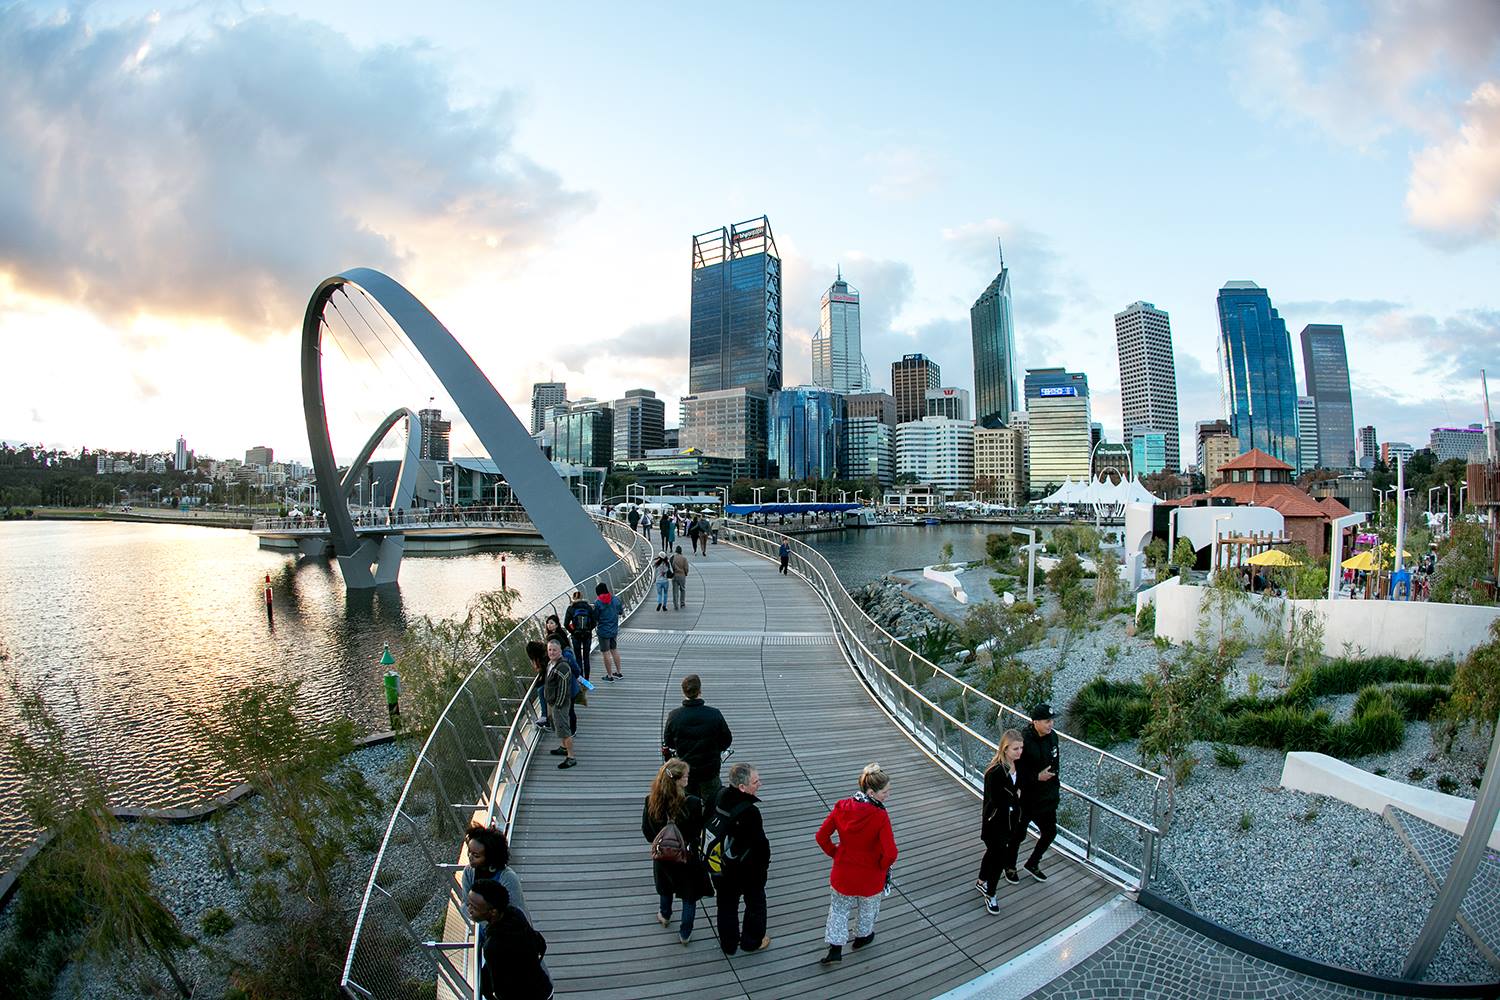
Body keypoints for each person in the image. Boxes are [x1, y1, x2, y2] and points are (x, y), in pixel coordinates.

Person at [815, 763, 898, 965]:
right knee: (868, 909)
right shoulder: (879, 815)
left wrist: (836, 853)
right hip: (870, 876)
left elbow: (821, 836)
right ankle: (862, 938)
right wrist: (881, 866)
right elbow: (891, 852)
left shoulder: (841, 806)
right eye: (885, 792)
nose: (887, 796)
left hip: (843, 872)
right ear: (871, 792)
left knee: (838, 909)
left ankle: (835, 949)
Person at [642, 758, 710, 945]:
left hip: (662, 857)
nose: (688, 778)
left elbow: (648, 833)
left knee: (665, 886)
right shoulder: (693, 803)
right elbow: (699, 831)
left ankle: (665, 915)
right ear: (678, 780)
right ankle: (685, 934)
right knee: (689, 896)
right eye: (686, 776)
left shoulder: (651, 801)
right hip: (686, 857)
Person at [711, 762, 771, 956]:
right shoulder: (750, 812)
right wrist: (763, 867)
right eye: (755, 781)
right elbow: (759, 845)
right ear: (742, 787)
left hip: (720, 865)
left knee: (726, 906)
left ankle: (728, 945)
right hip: (746, 870)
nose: (759, 784)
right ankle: (751, 941)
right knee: (756, 903)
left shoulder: (719, 795)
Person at [467, 879, 552, 1000]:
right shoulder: (515, 914)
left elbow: (502, 990)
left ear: (493, 912)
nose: (469, 909)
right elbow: (540, 943)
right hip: (544, 989)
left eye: (474, 907)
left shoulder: (493, 946)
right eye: (469, 903)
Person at [974, 729, 1026, 913]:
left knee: (992, 854)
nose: (1019, 752)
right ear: (1005, 749)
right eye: (1015, 749)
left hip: (1010, 822)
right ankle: (991, 893)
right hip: (996, 824)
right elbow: (994, 800)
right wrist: (1015, 796)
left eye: (1021, 748)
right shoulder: (994, 772)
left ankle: (981, 881)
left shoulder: (1018, 767)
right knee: (998, 858)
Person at [662, 674, 733, 810]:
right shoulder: (714, 714)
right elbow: (727, 740)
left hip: (686, 769)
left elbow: (669, 742)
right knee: (712, 802)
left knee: (688, 802)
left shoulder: (674, 716)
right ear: (700, 690)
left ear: (683, 692)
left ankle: (693, 826)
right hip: (710, 768)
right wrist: (716, 749)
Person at [1018, 704, 1060, 880]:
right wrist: (1036, 777)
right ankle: (1009, 866)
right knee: (1017, 836)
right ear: (1035, 722)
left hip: (1047, 796)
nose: (1051, 724)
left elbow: (1056, 763)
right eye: (1046, 721)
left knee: (1050, 832)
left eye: (1051, 721)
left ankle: (1032, 863)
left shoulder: (1053, 737)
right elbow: (1015, 771)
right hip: (1027, 797)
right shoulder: (1023, 741)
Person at [543, 638, 577, 769]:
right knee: (559, 727)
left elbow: (563, 689)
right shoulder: (551, 663)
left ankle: (571, 756)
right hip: (552, 702)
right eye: (549, 650)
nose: (551, 652)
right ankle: (563, 747)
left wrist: (558, 705)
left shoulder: (562, 667)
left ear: (560, 651)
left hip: (559, 704)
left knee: (564, 729)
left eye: (554, 650)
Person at [593, 582, 623, 680]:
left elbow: (596, 617)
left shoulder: (597, 603)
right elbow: (620, 611)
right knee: (614, 650)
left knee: (606, 653)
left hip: (603, 631)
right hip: (613, 629)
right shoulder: (615, 599)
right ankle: (618, 672)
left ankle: (609, 675)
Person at [563, 590, 595, 679]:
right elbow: (594, 622)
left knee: (578, 658)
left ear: (573, 598)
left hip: (576, 636)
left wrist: (573, 632)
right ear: (582, 597)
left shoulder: (571, 608)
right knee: (586, 658)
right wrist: (588, 630)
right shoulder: (588, 607)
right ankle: (587, 679)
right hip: (587, 635)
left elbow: (565, 624)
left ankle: (580, 679)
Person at [525, 640, 551, 731]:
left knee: (541, 690)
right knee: (540, 688)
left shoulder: (544, 657)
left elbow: (543, 671)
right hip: (551, 679)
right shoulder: (544, 654)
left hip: (553, 681)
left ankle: (545, 717)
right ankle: (545, 717)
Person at [671, 545, 691, 610]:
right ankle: (682, 603)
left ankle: (675, 605)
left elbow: (671, 566)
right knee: (682, 589)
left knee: (675, 591)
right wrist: (686, 573)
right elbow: (686, 568)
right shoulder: (684, 558)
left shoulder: (673, 557)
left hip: (675, 575)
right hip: (682, 575)